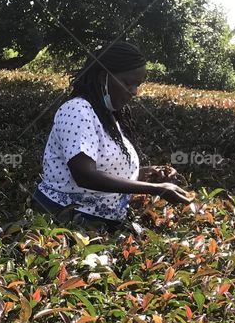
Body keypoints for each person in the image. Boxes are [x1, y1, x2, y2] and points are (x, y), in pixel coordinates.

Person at [32, 40, 195, 229]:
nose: (134, 92)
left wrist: (146, 174)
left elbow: (106, 171)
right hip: (66, 221)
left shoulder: (106, 115)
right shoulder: (77, 110)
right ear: (103, 77)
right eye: (128, 83)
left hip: (97, 224)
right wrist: (156, 189)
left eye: (137, 85)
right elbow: (84, 175)